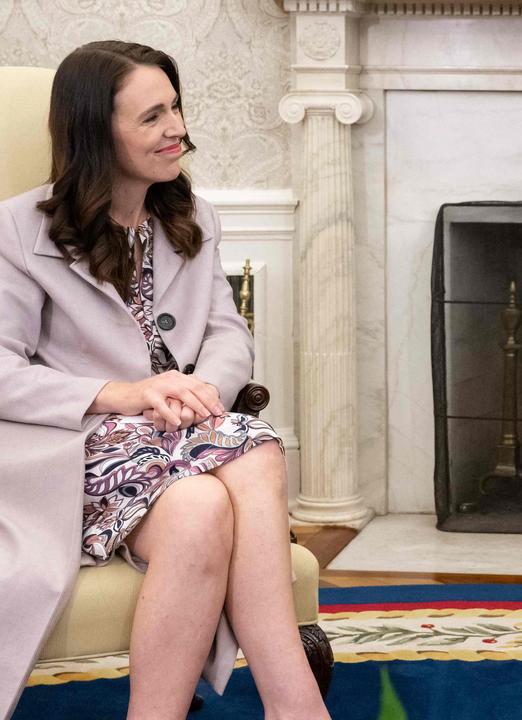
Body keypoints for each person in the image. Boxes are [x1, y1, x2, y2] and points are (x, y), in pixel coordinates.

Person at [0, 42, 330, 720]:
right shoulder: (17, 230)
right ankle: (296, 707)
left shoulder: (191, 217)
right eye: (152, 116)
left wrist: (198, 389)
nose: (176, 127)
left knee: (208, 498)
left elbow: (225, 333)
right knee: (248, 456)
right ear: (98, 132)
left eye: (175, 107)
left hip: (181, 434)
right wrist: (123, 394)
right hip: (74, 448)